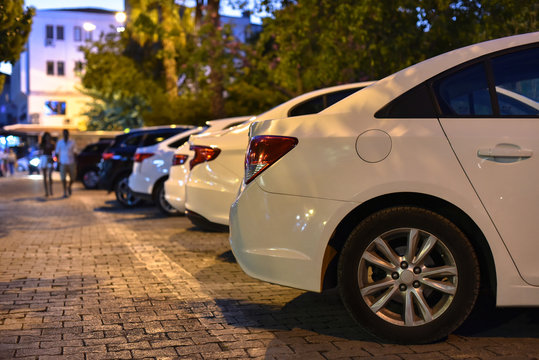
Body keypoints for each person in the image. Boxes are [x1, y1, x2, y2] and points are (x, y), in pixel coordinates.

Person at [55, 129, 77, 197]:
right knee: (63, 178)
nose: (65, 135)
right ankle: (65, 192)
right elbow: (57, 153)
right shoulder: (60, 142)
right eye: (64, 133)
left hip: (71, 162)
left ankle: (69, 186)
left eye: (66, 133)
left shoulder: (72, 142)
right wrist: (58, 162)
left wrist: (76, 160)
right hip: (63, 162)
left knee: (73, 178)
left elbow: (75, 152)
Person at [40, 132, 55, 197]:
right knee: (45, 176)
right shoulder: (42, 144)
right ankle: (46, 192)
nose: (47, 138)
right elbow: (40, 152)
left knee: (50, 176)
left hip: (50, 158)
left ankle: (51, 190)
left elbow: (54, 152)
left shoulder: (52, 144)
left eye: (48, 136)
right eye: (46, 136)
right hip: (44, 158)